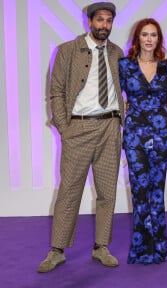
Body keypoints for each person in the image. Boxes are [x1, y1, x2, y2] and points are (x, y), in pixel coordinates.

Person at [38, 2, 124, 273]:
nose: (105, 26)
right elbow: (56, 92)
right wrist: (65, 128)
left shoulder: (117, 53)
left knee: (107, 192)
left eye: (109, 21)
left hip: (109, 128)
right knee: (69, 191)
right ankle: (57, 250)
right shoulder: (67, 50)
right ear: (90, 22)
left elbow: (124, 90)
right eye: (100, 20)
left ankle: (101, 246)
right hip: (79, 129)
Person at [118, 18, 167, 264]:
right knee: (140, 191)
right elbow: (114, 97)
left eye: (154, 35)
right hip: (134, 138)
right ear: (137, 38)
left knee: (157, 191)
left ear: (159, 39)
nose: (149, 39)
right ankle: (141, 249)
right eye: (145, 34)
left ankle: (160, 249)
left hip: (161, 137)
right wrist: (129, 116)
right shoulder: (125, 66)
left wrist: (160, 118)